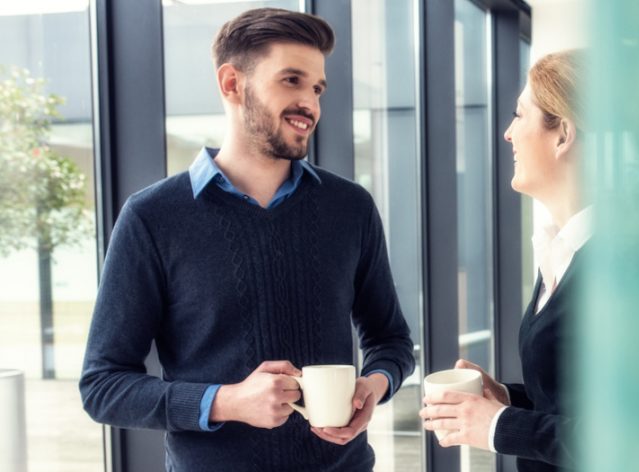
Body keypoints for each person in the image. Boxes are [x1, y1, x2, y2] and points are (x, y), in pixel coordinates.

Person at [79, 8, 414, 471]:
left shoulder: (350, 206)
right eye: (291, 80)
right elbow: (103, 386)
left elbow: (391, 340)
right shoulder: (152, 216)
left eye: (316, 88)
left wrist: (374, 385)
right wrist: (227, 401)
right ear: (232, 83)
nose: (310, 104)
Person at [419, 50, 588, 471]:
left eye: (519, 115)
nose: (508, 134)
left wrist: (497, 426)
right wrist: (506, 399)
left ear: (563, 134)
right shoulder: (560, 250)